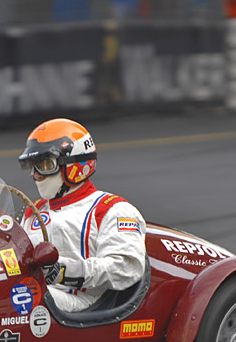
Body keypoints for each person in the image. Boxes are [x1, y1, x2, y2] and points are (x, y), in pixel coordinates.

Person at [18, 118, 147, 312]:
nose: (36, 175)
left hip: (85, 304)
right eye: (33, 166)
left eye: (44, 165)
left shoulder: (112, 209)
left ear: (74, 165)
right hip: (43, 297)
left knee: (20, 296)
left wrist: (64, 271)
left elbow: (126, 269)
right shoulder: (33, 211)